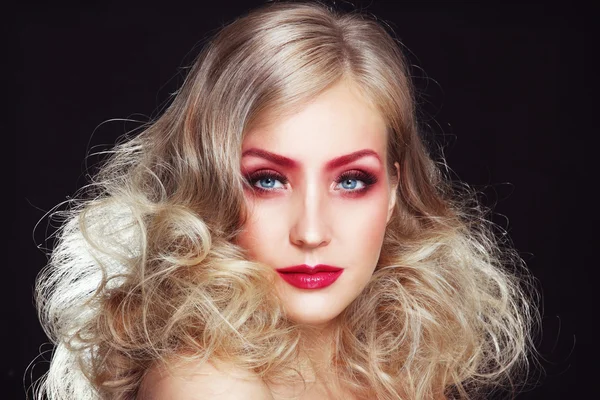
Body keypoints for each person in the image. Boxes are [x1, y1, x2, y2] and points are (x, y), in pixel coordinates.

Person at [33, 1, 539, 399]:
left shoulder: (399, 373)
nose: (312, 232)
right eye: (269, 180)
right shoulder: (207, 385)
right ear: (211, 187)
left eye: (351, 181)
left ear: (394, 193)